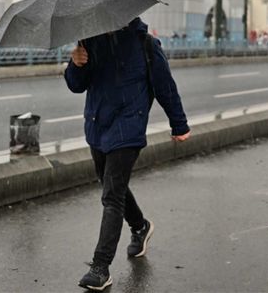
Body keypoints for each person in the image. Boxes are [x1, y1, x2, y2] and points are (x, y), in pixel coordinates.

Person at [65, 17, 191, 291]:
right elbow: (76, 85)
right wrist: (75, 64)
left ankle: (101, 267)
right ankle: (141, 226)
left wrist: (178, 124)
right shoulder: (90, 42)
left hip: (129, 126)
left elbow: (165, 86)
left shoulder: (144, 44)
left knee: (111, 195)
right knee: (112, 185)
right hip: (98, 125)